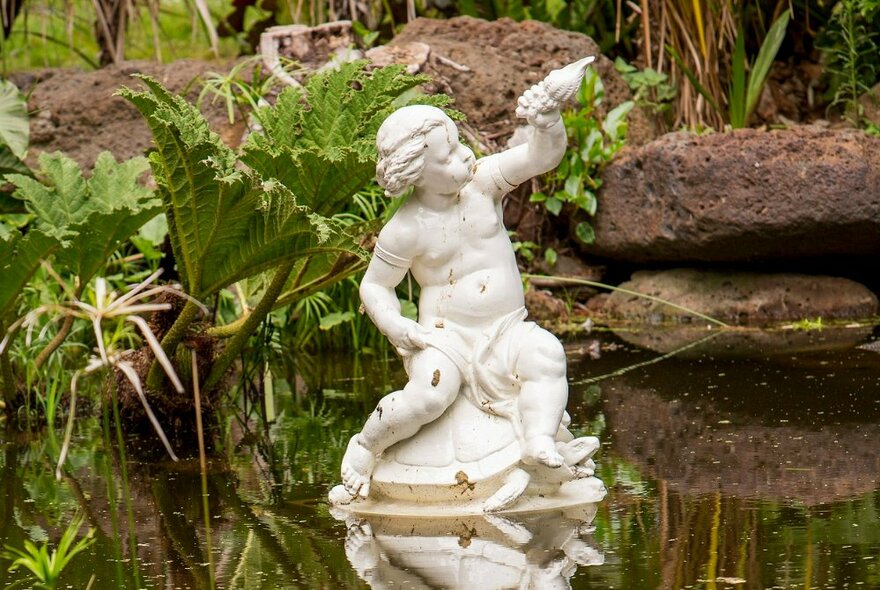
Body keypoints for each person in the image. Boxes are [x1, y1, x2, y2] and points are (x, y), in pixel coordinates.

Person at [341, 84, 571, 500]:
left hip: (505, 328)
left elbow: (542, 156)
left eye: (459, 142)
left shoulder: (483, 184)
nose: (466, 154)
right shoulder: (406, 228)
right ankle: (366, 444)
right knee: (429, 396)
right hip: (445, 338)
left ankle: (539, 439)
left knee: (547, 354)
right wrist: (396, 326)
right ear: (416, 175)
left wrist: (547, 123)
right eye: (448, 155)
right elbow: (375, 286)